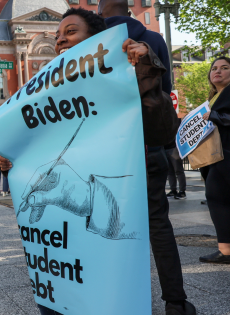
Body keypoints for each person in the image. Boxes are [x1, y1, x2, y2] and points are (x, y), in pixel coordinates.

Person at [0, 7, 182, 315]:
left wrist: (145, 70)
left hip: (137, 166)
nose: (61, 40)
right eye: (58, 37)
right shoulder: (48, 90)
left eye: (71, 32)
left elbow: (164, 129)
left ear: (97, 38)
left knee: (156, 230)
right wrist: (13, 156)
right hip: (84, 187)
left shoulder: (127, 64)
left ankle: (176, 303)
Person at [98, 1, 196, 314]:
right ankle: (176, 303)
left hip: (105, 149)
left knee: (107, 225)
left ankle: (115, 300)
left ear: (99, 12)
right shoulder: (152, 40)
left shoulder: (90, 43)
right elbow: (165, 90)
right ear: (129, 10)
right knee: (158, 224)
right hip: (146, 144)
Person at [199, 56, 230, 264]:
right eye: (214, 68)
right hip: (218, 155)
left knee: (217, 198)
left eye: (224, 68)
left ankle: (226, 251)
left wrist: (213, 117)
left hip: (226, 154)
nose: (217, 71)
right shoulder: (214, 97)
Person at [165, 128, 187, 199]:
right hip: (165, 147)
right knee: (170, 172)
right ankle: (173, 190)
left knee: (178, 170)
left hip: (174, 147)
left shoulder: (174, 118)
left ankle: (182, 191)